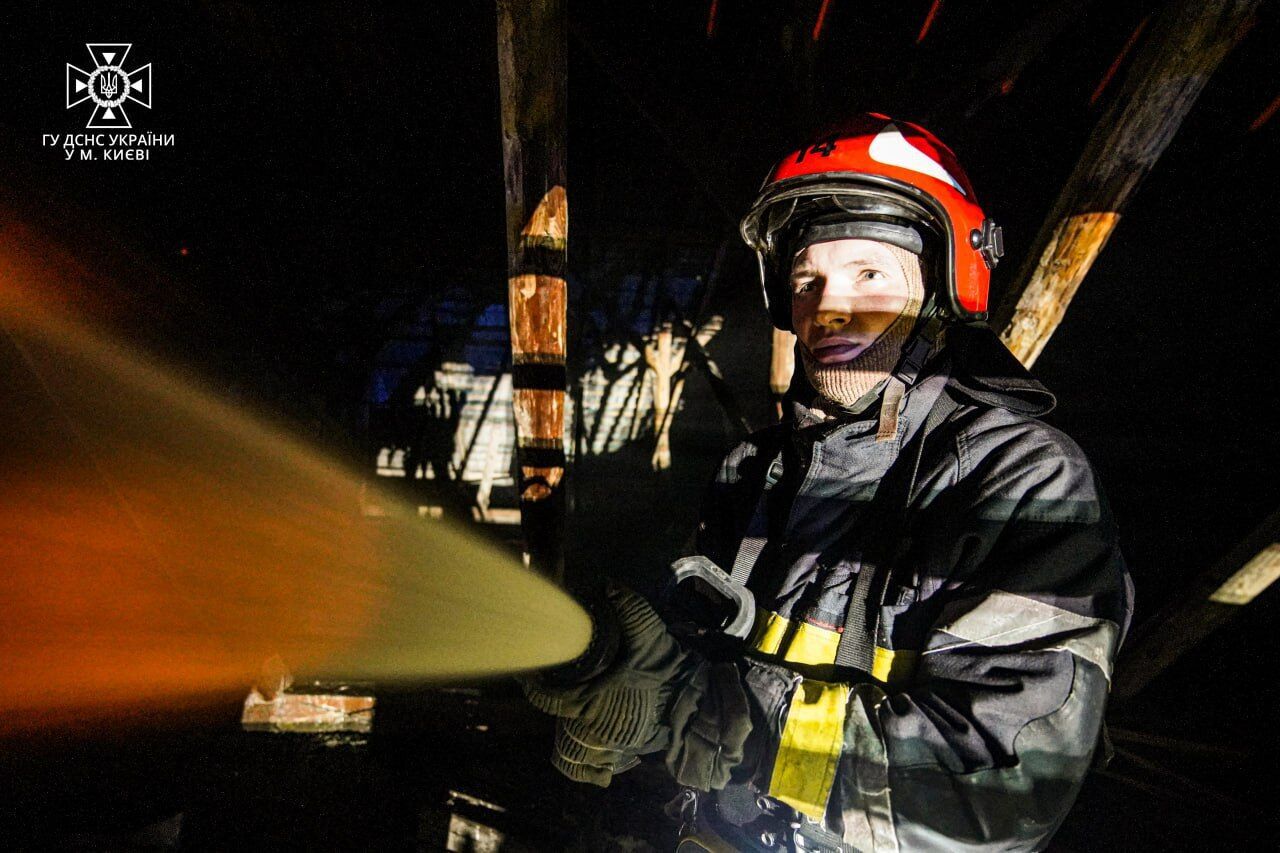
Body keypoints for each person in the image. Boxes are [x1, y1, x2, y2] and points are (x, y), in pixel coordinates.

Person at [523, 113, 1134, 852]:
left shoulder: (1022, 478)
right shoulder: (755, 471)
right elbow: (693, 674)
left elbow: (994, 793)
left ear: (944, 288)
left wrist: (713, 720)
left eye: (869, 274)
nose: (829, 306)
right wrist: (627, 689)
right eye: (807, 278)